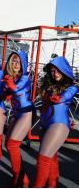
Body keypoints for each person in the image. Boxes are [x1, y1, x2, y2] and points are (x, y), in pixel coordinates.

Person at [34, 56, 79, 187]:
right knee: (51, 157)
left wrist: (59, 98)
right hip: (45, 125)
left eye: (58, 70)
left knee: (42, 159)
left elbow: (67, 96)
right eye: (53, 70)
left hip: (58, 126)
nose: (55, 73)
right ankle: (53, 184)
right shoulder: (48, 86)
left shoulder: (71, 87)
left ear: (64, 71)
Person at [2, 51, 34, 187]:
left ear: (23, 64)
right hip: (18, 113)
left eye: (19, 62)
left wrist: (9, 87)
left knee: (12, 145)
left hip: (27, 113)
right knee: (8, 144)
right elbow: (6, 93)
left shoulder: (25, 78)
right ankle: (21, 176)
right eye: (14, 61)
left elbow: (17, 89)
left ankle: (19, 178)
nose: (16, 64)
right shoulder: (12, 77)